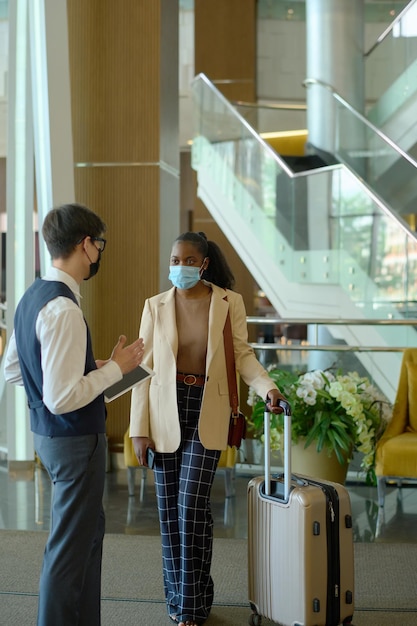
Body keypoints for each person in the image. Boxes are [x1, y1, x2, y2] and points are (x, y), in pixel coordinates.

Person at [129, 231, 287, 626]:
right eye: (173, 259)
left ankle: (191, 607)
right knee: (171, 511)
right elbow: (142, 371)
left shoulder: (227, 302)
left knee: (190, 504)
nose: (178, 266)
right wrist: (137, 429)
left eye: (186, 260)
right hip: (164, 411)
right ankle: (182, 597)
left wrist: (268, 388)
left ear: (203, 264)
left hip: (208, 409)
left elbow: (243, 356)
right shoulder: (154, 305)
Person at [4, 203, 145, 626]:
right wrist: (118, 371)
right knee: (69, 551)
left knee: (85, 540)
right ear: (86, 244)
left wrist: (95, 369)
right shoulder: (64, 309)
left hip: (49, 440)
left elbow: (13, 370)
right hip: (75, 442)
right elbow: (62, 398)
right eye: (98, 245)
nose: (99, 255)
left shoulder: (32, 295)